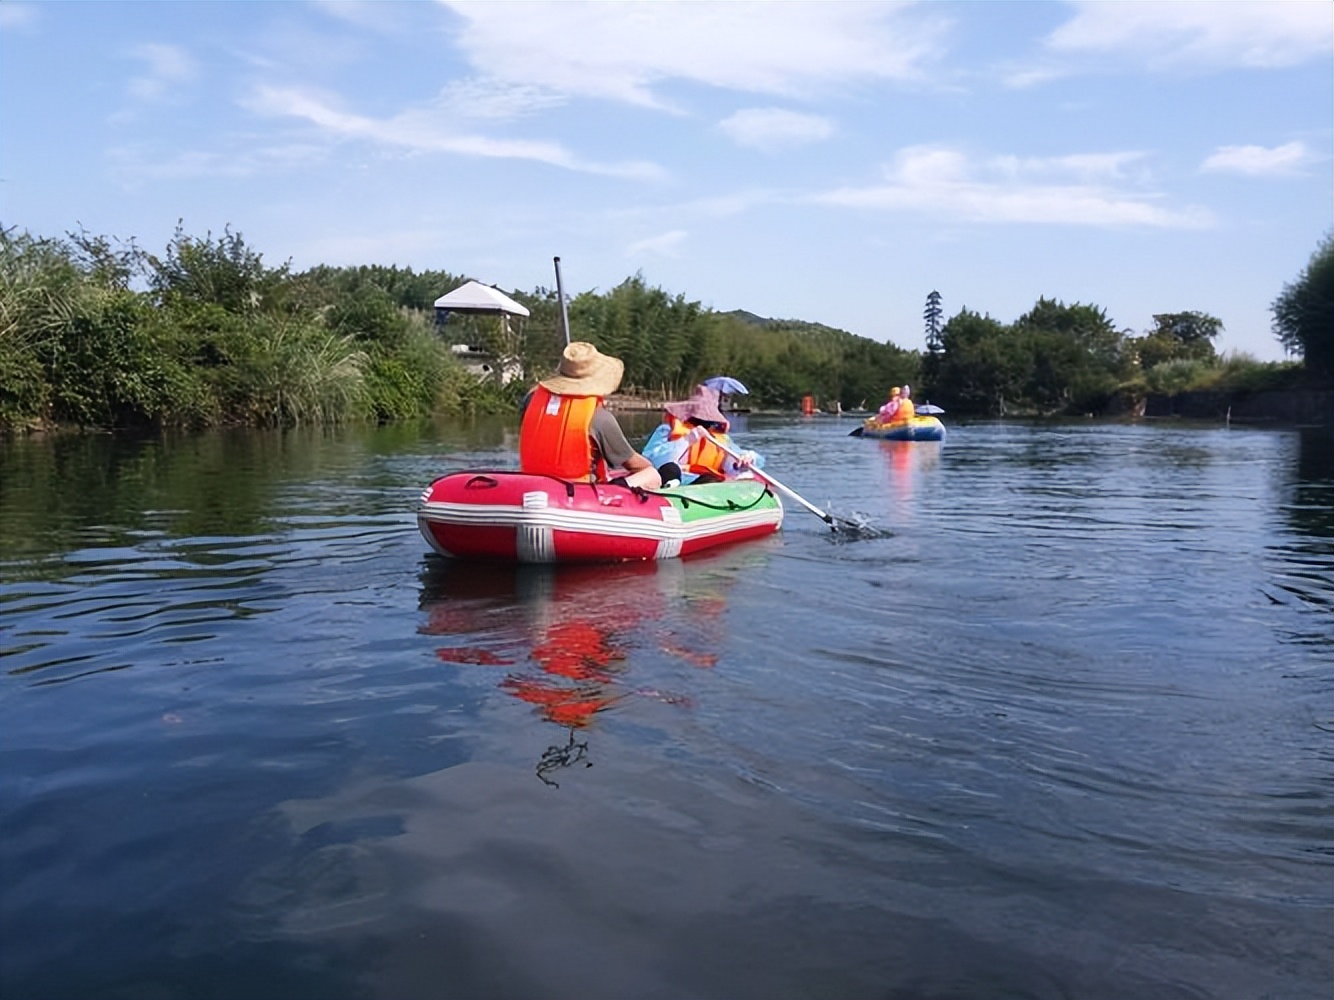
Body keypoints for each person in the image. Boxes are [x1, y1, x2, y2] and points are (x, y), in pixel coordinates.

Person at [519, 342, 662, 490]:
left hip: (531, 486)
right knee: (652, 474)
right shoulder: (599, 418)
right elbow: (635, 465)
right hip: (578, 493)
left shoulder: (530, 401)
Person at [641, 383, 761, 486]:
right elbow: (650, 459)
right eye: (698, 418)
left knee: (713, 478)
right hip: (672, 480)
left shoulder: (720, 439)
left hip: (705, 484)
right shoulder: (667, 430)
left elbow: (733, 463)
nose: (703, 423)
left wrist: (745, 459)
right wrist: (687, 440)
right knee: (672, 471)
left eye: (708, 420)